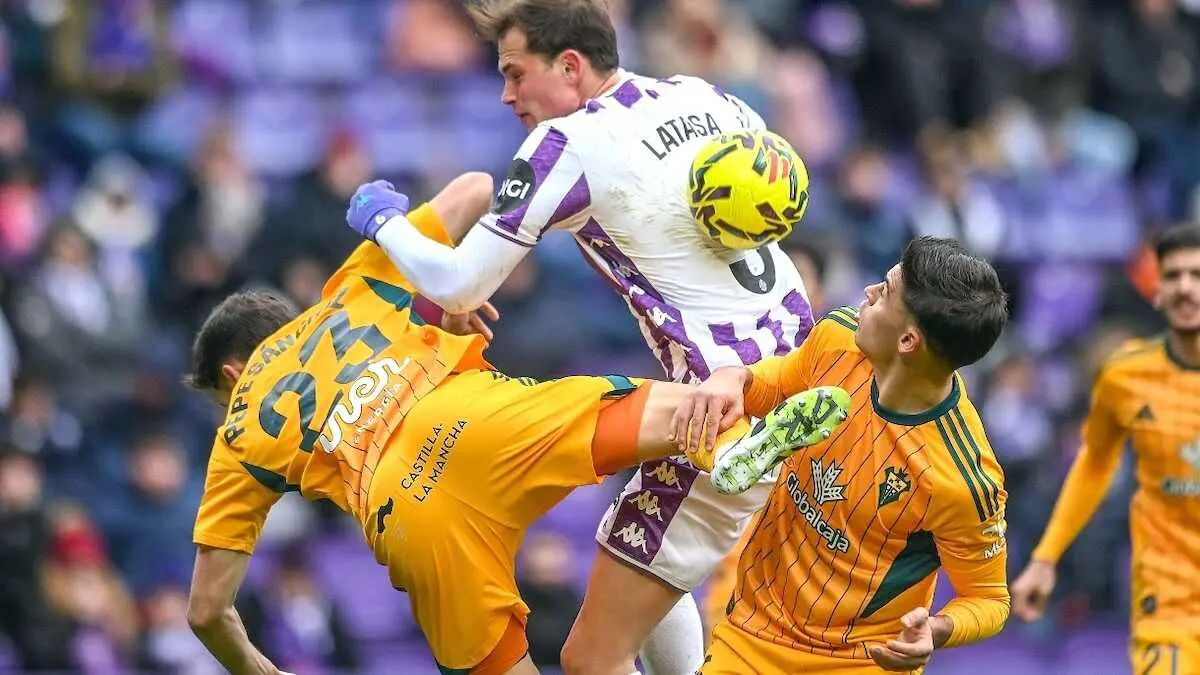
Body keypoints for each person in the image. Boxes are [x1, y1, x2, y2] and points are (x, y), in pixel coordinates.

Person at [183, 172, 848, 675]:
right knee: (679, 415)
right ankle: (740, 431)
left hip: (407, 519)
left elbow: (207, 611)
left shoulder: (240, 429)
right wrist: (451, 294)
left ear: (233, 374)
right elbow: (474, 188)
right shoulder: (350, 290)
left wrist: (256, 668)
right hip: (466, 418)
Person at [342, 0, 814, 670]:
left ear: (569, 66)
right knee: (632, 547)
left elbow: (457, 282)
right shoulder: (706, 98)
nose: (506, 95)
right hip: (804, 368)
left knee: (592, 658)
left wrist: (381, 217)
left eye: (514, 73)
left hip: (723, 406)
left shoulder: (571, 143)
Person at [672, 237, 1011, 673]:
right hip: (749, 634)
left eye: (886, 292)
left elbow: (989, 599)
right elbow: (780, 380)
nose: (868, 292)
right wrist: (736, 377)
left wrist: (939, 629)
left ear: (908, 340)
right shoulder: (838, 337)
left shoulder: (962, 480)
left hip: (856, 663)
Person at [1011, 224, 1200, 674]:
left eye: (1197, 275)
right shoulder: (1127, 376)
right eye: (1173, 276)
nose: (1186, 288)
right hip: (1167, 594)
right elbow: (1093, 468)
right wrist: (1044, 558)